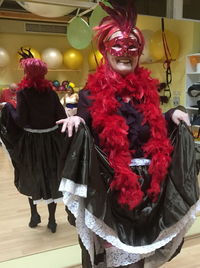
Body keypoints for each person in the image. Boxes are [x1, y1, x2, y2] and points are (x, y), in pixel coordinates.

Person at [57, 1, 199, 267]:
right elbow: (87, 120)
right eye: (117, 46)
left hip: (149, 190)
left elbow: (154, 126)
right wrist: (76, 118)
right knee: (114, 253)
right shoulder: (90, 95)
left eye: (132, 47)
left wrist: (172, 115)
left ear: (139, 52)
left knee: (140, 251)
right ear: (104, 50)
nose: (125, 52)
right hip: (112, 189)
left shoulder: (148, 93)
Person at [0, 48, 68, 233]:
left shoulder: (23, 93)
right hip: (52, 141)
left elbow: (20, 121)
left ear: (27, 74)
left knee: (32, 176)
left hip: (31, 143)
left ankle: (34, 215)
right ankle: (52, 220)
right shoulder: (51, 93)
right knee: (52, 176)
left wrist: (9, 108)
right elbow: (61, 116)